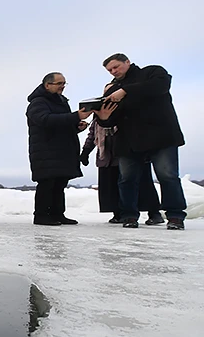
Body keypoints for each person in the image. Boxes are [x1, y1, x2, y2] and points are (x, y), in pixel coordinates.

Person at [96, 53, 186, 230]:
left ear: (127, 62)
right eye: (109, 70)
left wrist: (126, 91)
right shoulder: (114, 89)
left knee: (167, 176)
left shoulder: (152, 72)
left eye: (116, 67)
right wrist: (104, 118)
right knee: (127, 179)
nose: (113, 71)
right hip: (129, 140)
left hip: (160, 136)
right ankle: (129, 215)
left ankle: (175, 216)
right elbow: (113, 119)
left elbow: (161, 86)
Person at [26, 72, 92, 226]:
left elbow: (60, 124)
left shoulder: (61, 101)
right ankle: (41, 215)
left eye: (64, 83)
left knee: (60, 183)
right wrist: (76, 116)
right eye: (59, 83)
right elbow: (45, 120)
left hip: (61, 150)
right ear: (47, 85)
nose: (62, 86)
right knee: (47, 183)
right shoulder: (38, 103)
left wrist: (76, 126)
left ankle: (57, 214)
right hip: (45, 150)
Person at [81, 121, 163, 224]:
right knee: (112, 184)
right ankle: (118, 213)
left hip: (132, 152)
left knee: (143, 183)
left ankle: (154, 213)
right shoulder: (99, 115)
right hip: (107, 155)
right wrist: (86, 150)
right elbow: (93, 133)